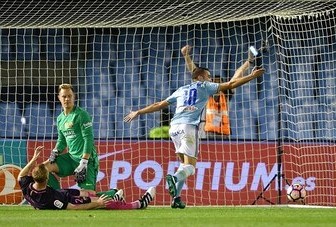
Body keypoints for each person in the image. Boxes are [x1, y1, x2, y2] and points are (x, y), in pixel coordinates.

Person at [124, 46, 265, 209]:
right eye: (209, 77)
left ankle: (176, 198)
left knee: (184, 164)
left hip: (174, 128)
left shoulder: (181, 89)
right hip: (190, 128)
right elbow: (231, 81)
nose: (212, 80)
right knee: (190, 167)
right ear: (202, 77)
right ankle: (174, 178)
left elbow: (159, 104)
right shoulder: (206, 87)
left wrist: (138, 112)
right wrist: (252, 76)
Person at [19, 146, 156, 210]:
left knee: (87, 192)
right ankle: (139, 204)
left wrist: (34, 159)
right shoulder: (50, 199)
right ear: (47, 179)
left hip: (63, 193)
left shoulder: (26, 187)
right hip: (67, 199)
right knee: (99, 201)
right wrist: (96, 204)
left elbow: (21, 175)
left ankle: (113, 194)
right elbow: (74, 208)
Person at [181, 45, 252, 139]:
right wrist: (186, 56)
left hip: (223, 133)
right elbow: (195, 72)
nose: (217, 84)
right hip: (205, 131)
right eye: (215, 82)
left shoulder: (226, 93)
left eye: (220, 82)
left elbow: (238, 74)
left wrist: (249, 61)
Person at [43, 83, 100, 195]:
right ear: (59, 98)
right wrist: (56, 150)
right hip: (70, 158)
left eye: (70, 96)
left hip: (86, 160)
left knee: (87, 196)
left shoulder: (81, 115)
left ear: (74, 97)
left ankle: (114, 193)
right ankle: (58, 195)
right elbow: (62, 140)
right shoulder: (60, 119)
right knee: (42, 169)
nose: (67, 99)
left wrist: (84, 161)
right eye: (64, 96)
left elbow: (88, 139)